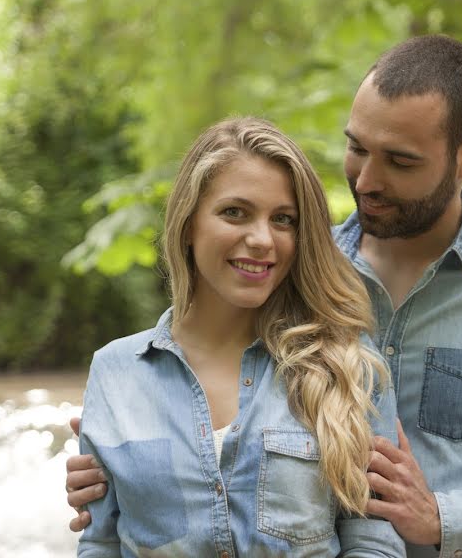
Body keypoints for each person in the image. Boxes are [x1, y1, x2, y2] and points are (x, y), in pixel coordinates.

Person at [67, 36, 462, 557]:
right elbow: (200, 380)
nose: (366, 180)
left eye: (400, 161)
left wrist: (446, 519)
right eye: (357, 148)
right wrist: (129, 464)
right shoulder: (290, 268)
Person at [74, 116, 405, 557]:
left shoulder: (347, 366)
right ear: (189, 223)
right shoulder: (115, 372)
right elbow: (101, 543)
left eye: (283, 219)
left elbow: (375, 543)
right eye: (235, 212)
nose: (262, 239)